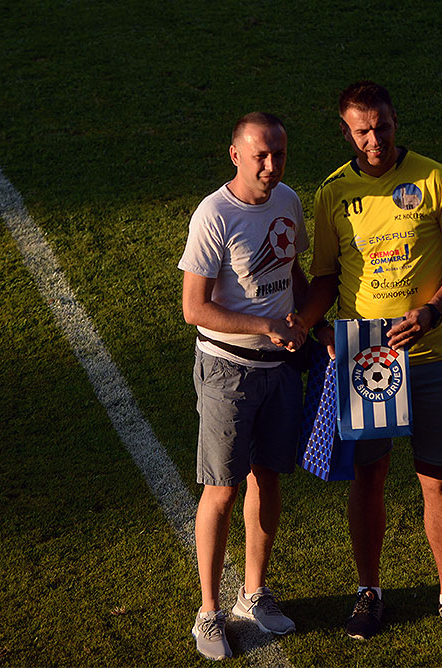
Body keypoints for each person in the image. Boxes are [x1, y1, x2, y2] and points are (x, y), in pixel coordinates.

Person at [296, 81, 442, 644]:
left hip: (430, 356)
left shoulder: (435, 180)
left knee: (437, 480)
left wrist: (432, 311)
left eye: (381, 127)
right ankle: (369, 591)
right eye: (362, 131)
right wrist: (312, 327)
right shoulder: (333, 193)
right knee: (368, 476)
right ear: (345, 132)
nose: (374, 139)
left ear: (396, 120)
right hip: (364, 360)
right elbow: (325, 276)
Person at [179, 112, 308, 660]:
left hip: (280, 369)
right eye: (261, 156)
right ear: (235, 155)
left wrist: (311, 322)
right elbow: (194, 308)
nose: (271, 165)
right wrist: (266, 324)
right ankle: (208, 611)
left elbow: (293, 269)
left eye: (279, 154)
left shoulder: (288, 201)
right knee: (222, 489)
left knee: (268, 479)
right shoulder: (214, 214)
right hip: (228, 370)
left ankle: (253, 593)